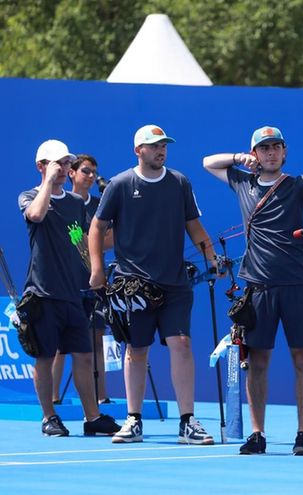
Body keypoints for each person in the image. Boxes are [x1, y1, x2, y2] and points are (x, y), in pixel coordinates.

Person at [203, 125, 303, 455]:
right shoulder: (243, 182)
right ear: (255, 154)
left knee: (302, 358)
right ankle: (257, 434)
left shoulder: (296, 185)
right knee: (257, 361)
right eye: (264, 148)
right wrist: (237, 158)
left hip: (297, 285)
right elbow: (208, 162)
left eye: (276, 147)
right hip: (258, 287)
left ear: (284, 151)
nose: (271, 152)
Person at [88, 124, 218, 445]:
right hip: (133, 285)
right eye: (154, 145)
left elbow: (194, 227)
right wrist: (97, 269)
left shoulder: (179, 183)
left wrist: (212, 256)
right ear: (138, 150)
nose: (161, 150)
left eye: (164, 145)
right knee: (136, 349)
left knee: (182, 344)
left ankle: (187, 421)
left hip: (174, 284)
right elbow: (96, 227)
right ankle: (133, 420)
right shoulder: (119, 184)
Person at [19, 139, 121, 437]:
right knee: (46, 357)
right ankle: (49, 417)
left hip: (74, 294)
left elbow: (79, 240)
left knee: (84, 354)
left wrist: (93, 271)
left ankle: (92, 417)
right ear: (41, 167)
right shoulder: (29, 196)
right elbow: (36, 216)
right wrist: (48, 183)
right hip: (42, 293)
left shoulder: (76, 203)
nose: (64, 169)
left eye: (66, 163)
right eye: (57, 164)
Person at [52, 154, 114, 405]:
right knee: (59, 344)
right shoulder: (65, 203)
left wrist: (92, 244)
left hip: (95, 281)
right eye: (85, 171)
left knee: (96, 337)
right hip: (67, 281)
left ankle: (101, 396)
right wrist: (91, 242)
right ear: (72, 174)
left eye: (93, 172)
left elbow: (111, 240)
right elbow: (73, 242)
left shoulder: (102, 205)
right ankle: (54, 398)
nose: (90, 177)